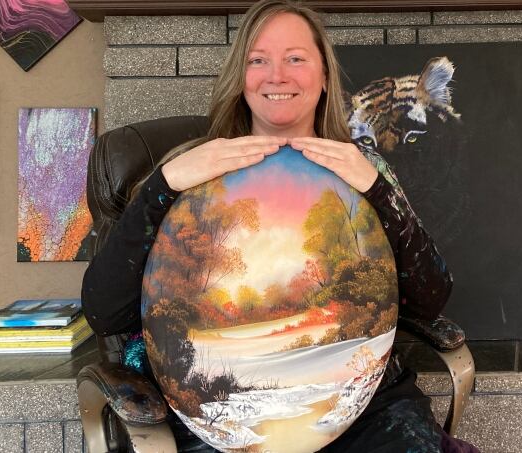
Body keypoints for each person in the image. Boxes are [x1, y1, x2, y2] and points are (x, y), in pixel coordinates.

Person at [82, 1, 480, 452]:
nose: (277, 75)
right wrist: (166, 184)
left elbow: (430, 299)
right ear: (241, 78)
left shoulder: (362, 167)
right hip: (218, 416)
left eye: (295, 58)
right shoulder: (189, 168)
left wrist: (375, 189)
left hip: (368, 406)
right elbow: (104, 311)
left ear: (324, 76)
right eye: (258, 60)